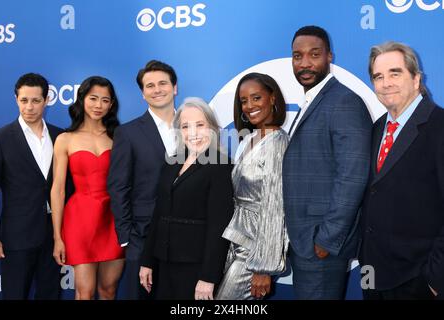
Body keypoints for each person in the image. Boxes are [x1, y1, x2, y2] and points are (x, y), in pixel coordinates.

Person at [282, 25, 372, 299]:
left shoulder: (344, 101)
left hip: (320, 246)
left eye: (314, 54)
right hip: (304, 242)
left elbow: (353, 175)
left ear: (329, 56)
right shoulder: (314, 101)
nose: (305, 63)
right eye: (298, 56)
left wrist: (326, 239)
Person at [359, 41, 444, 300]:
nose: (386, 83)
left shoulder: (439, 126)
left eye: (395, 73)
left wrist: (435, 279)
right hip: (373, 275)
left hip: (418, 281)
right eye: (378, 76)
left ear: (416, 79)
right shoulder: (376, 129)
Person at [139, 97, 234, 300]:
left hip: (196, 269)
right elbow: (158, 214)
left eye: (200, 125)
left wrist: (208, 277)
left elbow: (219, 227)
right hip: (162, 264)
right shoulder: (171, 163)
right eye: (185, 126)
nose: (193, 133)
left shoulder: (221, 166)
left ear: (212, 128)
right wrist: (147, 260)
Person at [107, 60, 178, 299]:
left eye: (162, 83)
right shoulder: (127, 133)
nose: (157, 89)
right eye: (150, 85)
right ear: (143, 93)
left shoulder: (195, 128)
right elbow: (118, 187)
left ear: (175, 87)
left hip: (187, 235)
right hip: (142, 235)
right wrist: (126, 238)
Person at [214, 73, 289, 300]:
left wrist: (263, 267)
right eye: (244, 101)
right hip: (236, 240)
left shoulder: (278, 144)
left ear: (273, 98)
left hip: (255, 250)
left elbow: (275, 208)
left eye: (256, 98)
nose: (249, 106)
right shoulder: (248, 139)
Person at [51, 76, 124, 300]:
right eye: (93, 98)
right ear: (82, 99)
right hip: (80, 219)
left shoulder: (119, 137)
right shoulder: (65, 139)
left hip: (112, 218)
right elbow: (58, 189)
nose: (98, 105)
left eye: (105, 100)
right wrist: (57, 237)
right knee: (84, 292)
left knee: (109, 290)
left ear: (111, 105)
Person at [0, 73, 63, 299]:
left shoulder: (60, 136)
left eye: (35, 100)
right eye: (24, 100)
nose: (29, 107)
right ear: (16, 99)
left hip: (53, 235)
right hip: (16, 236)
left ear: (46, 100)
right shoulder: (1, 138)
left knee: (50, 294)